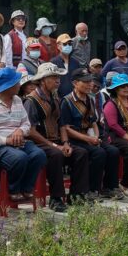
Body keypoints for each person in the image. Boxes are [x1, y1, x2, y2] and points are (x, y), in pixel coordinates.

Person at [0, 67, 47, 203]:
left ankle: (26, 188)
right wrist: (7, 141)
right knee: (19, 158)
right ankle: (13, 189)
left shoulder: (17, 100)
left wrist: (20, 130)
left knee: (39, 155)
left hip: (19, 141)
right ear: (8, 86)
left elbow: (26, 124)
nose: (19, 85)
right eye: (16, 83)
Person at [24, 62, 85, 209]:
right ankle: (56, 198)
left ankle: (76, 195)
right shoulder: (31, 100)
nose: (57, 80)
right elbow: (30, 131)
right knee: (56, 155)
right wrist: (54, 145)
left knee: (81, 153)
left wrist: (65, 143)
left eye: (58, 77)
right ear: (43, 80)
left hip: (56, 141)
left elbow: (62, 124)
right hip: (38, 143)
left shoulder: (56, 98)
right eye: (53, 77)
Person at [62, 68, 123, 199]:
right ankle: (92, 189)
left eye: (90, 81)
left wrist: (95, 136)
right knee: (98, 153)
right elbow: (66, 128)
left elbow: (94, 121)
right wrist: (88, 139)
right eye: (85, 81)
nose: (90, 84)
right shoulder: (66, 101)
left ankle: (109, 187)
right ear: (75, 83)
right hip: (76, 138)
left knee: (113, 151)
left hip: (90, 137)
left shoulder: (90, 99)